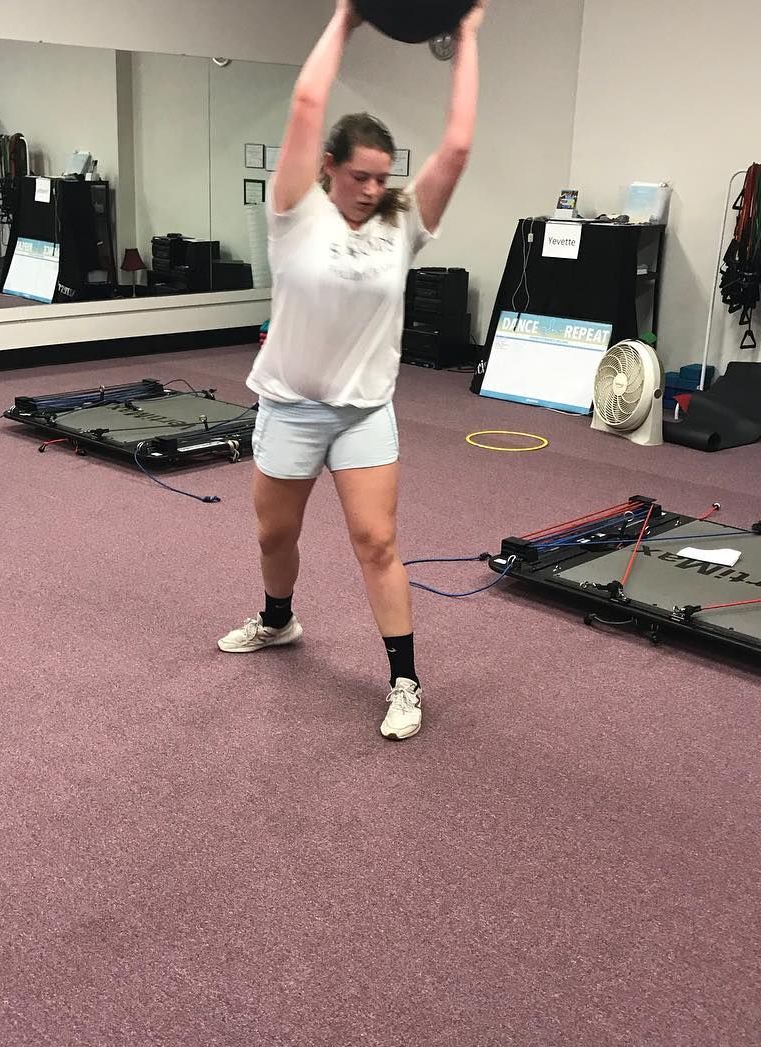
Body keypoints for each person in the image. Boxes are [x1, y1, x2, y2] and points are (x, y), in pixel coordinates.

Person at [218, 0, 485, 741]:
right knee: (276, 538)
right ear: (328, 168)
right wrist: (347, 16)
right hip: (291, 406)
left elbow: (457, 146)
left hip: (365, 410)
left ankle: (405, 680)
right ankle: (279, 620)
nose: (373, 190)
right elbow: (308, 101)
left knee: (377, 542)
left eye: (382, 178)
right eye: (360, 176)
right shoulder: (293, 214)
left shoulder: (403, 224)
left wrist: (465, 35)